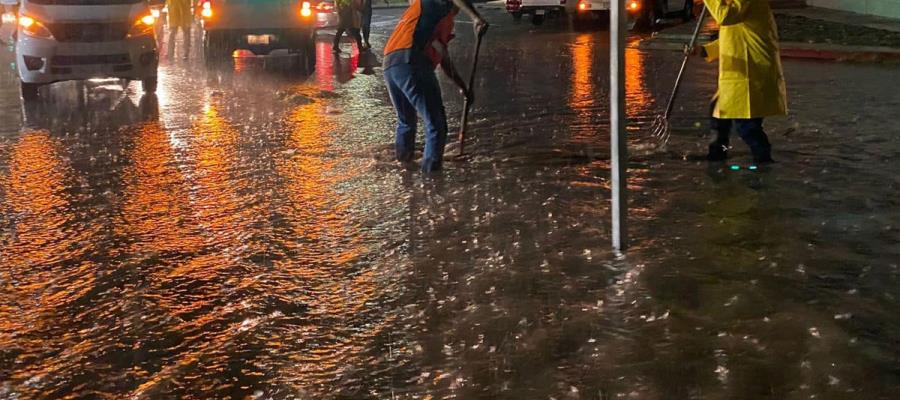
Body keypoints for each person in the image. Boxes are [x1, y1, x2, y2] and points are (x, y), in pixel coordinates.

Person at [383, 0, 488, 172]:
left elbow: (442, 57)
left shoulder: (421, 13)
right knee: (436, 125)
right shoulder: (438, 8)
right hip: (412, 61)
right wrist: (475, 18)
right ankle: (431, 179)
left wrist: (463, 87)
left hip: (390, 64)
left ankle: (403, 168)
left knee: (406, 122)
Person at [700, 0, 787, 164]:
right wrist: (706, 50)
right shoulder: (734, 6)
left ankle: (764, 162)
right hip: (739, 79)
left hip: (751, 76)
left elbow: (725, 17)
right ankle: (718, 154)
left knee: (747, 127)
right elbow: (735, 35)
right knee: (719, 118)